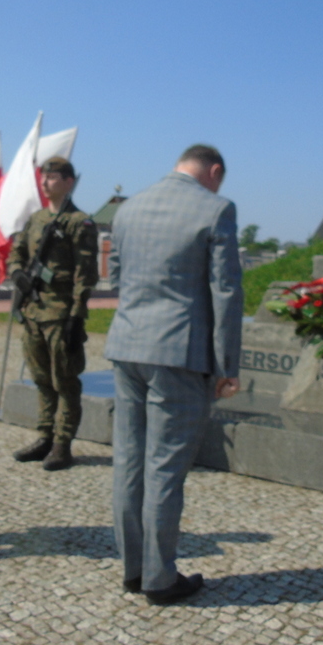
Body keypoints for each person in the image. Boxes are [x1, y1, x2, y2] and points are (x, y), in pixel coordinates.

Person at [104, 144, 243, 605]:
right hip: (179, 354)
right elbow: (226, 292)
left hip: (127, 346)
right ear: (214, 171)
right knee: (164, 469)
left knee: (128, 461)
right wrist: (227, 367)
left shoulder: (131, 208)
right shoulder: (216, 208)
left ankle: (133, 569)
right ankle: (160, 579)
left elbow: (118, 279)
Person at [7, 156, 99, 471]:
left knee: (65, 381)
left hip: (61, 313)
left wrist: (76, 314)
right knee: (41, 378)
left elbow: (86, 274)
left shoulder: (79, 222)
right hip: (33, 308)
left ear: (69, 181)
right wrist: (18, 273)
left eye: (53, 177)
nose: (46, 182)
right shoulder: (35, 219)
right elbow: (16, 253)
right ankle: (44, 435)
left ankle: (62, 443)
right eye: (44, 177)